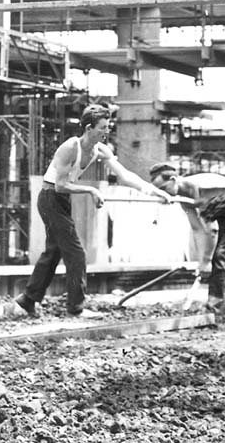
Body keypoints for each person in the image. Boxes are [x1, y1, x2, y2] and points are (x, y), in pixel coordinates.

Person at [14, 104, 174, 318]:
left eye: (108, 127)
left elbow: (125, 176)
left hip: (61, 199)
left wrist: (154, 191)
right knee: (77, 254)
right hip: (50, 197)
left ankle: (27, 300)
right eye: (103, 127)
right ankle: (76, 308)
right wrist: (90, 189)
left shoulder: (100, 149)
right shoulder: (70, 147)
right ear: (89, 128)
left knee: (53, 252)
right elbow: (60, 185)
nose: (107, 132)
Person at [150, 163, 225, 314]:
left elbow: (211, 230)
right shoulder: (182, 196)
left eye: (163, 189)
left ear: (173, 179)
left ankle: (218, 308)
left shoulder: (201, 189)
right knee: (222, 256)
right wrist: (201, 262)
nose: (163, 194)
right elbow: (198, 230)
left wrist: (206, 260)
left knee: (223, 256)